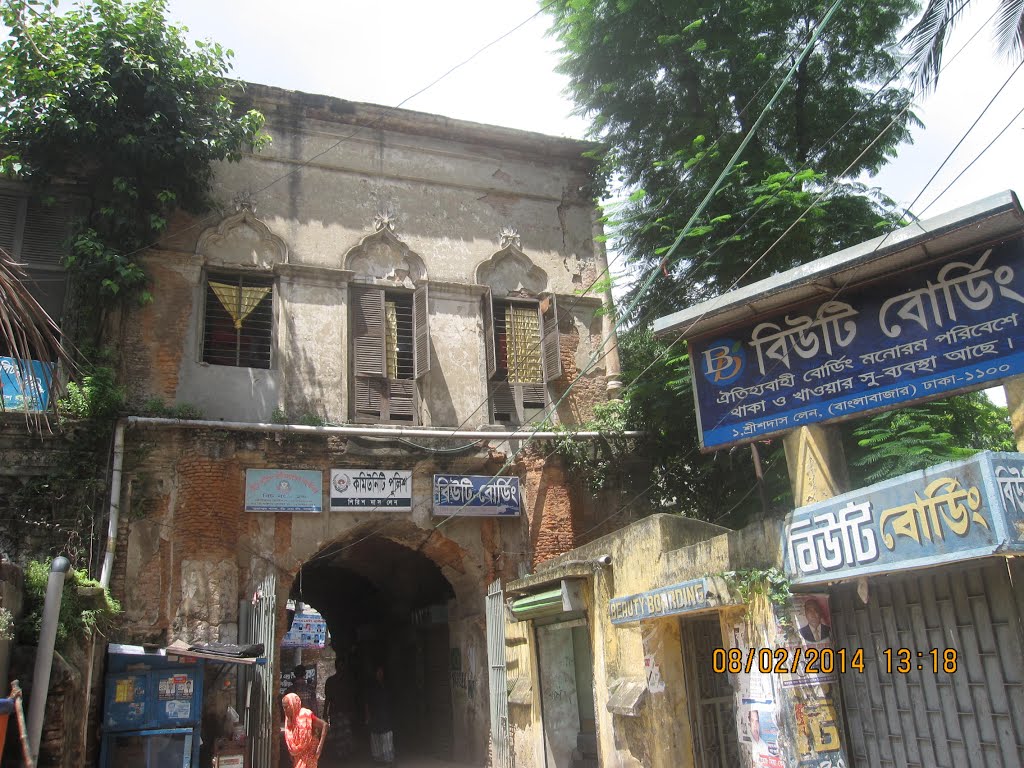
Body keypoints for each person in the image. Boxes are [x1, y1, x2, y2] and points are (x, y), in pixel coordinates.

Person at [282, 692, 328, 768]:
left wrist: (320, 747)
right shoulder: (289, 719)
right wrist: (292, 752)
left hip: (309, 754)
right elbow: (291, 738)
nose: (285, 710)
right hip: (298, 756)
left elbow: (325, 725)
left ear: (293, 705)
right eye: (283, 707)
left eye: (287, 707)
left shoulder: (305, 716)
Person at [365, 665, 395, 765]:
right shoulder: (371, 687)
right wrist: (368, 716)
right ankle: (378, 759)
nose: (380, 674)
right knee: (376, 737)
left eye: (382, 672)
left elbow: (391, 700)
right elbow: (367, 703)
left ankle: (389, 759)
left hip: (386, 715)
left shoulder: (387, 685)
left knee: (387, 736)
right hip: (375, 716)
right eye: (378, 672)